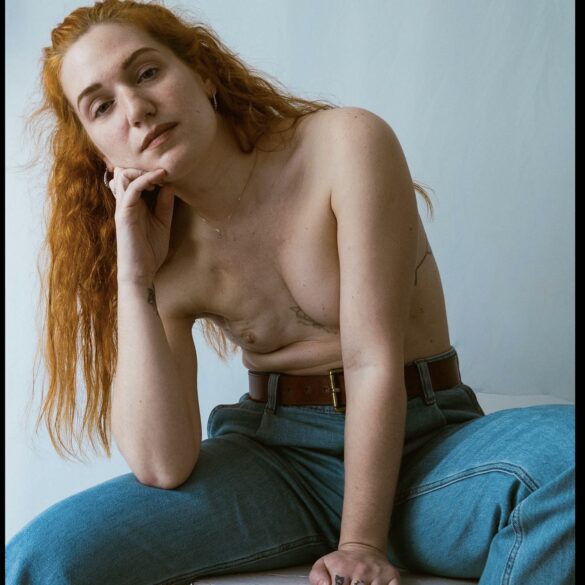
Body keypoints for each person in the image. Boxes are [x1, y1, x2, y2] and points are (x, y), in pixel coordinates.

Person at [6, 1, 575, 584]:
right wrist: (135, 280)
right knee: (42, 556)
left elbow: (371, 359)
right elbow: (162, 464)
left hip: (426, 448)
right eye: (101, 106)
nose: (136, 109)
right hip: (278, 462)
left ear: (203, 72)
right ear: (96, 148)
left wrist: (360, 543)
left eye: (147, 72)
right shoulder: (161, 248)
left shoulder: (343, 145)